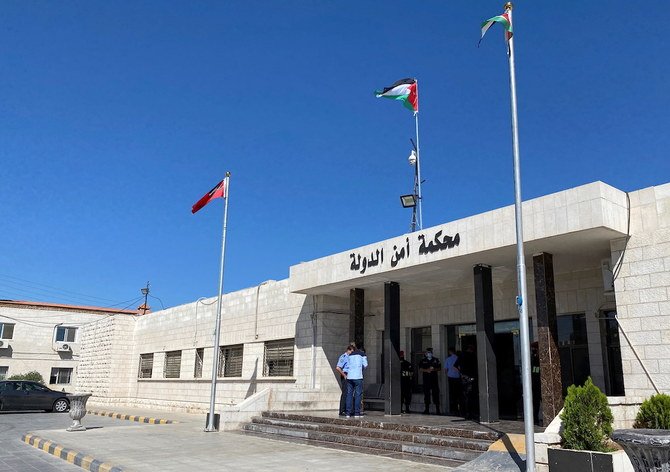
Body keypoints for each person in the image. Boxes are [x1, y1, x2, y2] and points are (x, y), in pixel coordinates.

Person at [345, 344, 368, 418]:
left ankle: (348, 413)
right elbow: (365, 364)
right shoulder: (362, 354)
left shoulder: (350, 355)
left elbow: (348, 366)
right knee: (358, 395)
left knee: (349, 394)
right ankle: (357, 413)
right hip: (358, 377)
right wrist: (360, 369)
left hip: (350, 377)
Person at [457, 344, 477, 420]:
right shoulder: (471, 356)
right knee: (469, 396)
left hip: (465, 377)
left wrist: (461, 373)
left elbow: (455, 366)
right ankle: (469, 413)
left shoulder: (462, 356)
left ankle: (466, 413)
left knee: (466, 396)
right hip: (469, 377)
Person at [418, 347, 441, 415]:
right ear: (426, 353)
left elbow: (439, 368)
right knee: (427, 395)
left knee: (436, 394)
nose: (429, 354)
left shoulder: (436, 360)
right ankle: (427, 409)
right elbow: (420, 369)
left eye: (430, 352)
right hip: (426, 380)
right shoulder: (423, 360)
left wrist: (434, 369)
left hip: (434, 380)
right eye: (428, 352)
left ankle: (438, 410)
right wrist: (427, 370)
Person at [335, 345, 353, 416]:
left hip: (351, 375)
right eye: (351, 351)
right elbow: (338, 368)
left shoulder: (351, 357)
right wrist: (344, 375)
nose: (352, 352)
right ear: (348, 350)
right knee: (345, 392)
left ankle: (348, 409)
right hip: (345, 375)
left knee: (350, 393)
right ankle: (342, 410)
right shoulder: (343, 357)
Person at [444, 347, 461, 416]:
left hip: (451, 378)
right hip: (458, 378)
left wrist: (448, 374)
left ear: (450, 352)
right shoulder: (458, 358)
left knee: (452, 394)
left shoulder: (448, 359)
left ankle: (454, 409)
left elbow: (445, 369)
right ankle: (460, 409)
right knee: (459, 394)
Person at [531, 341, 541, 425]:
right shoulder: (534, 359)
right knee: (536, 403)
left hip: (538, 383)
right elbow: (535, 371)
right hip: (536, 384)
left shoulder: (538, 358)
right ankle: (535, 418)